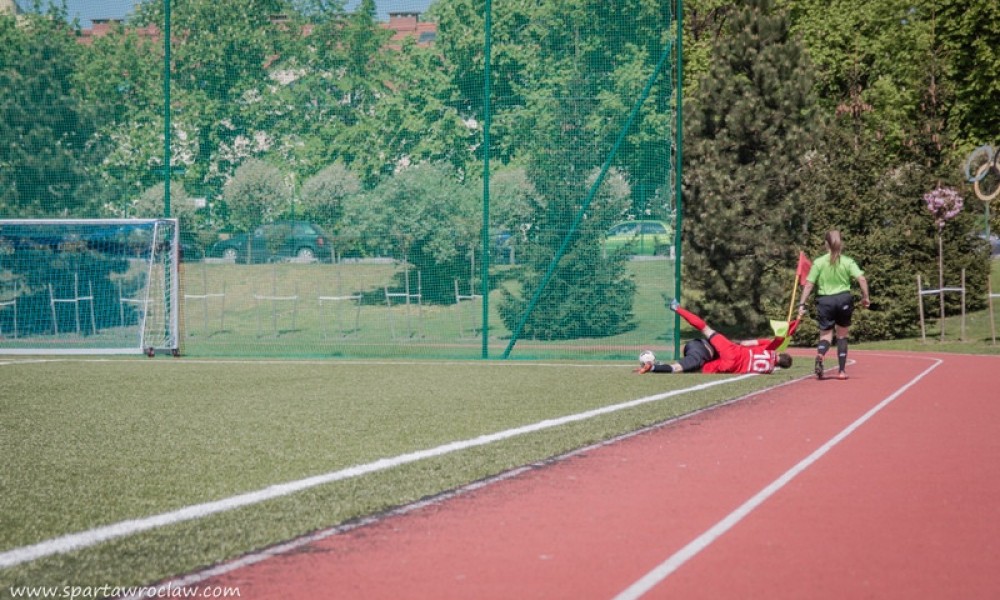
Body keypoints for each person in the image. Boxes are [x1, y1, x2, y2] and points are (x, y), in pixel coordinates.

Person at [636, 299, 796, 374]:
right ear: (779, 366)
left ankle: (676, 308)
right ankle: (656, 367)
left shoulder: (771, 347)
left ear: (780, 354)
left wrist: (790, 326)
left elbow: (749, 343)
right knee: (695, 369)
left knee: (706, 328)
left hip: (734, 351)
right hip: (731, 367)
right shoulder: (769, 370)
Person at [797, 230, 870, 381]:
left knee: (826, 335)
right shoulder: (847, 261)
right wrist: (865, 297)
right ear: (840, 243)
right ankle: (842, 371)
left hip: (825, 301)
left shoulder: (819, 262)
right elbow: (861, 279)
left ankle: (820, 354)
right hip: (844, 299)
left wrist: (802, 303)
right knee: (842, 335)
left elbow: (809, 284)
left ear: (826, 244)